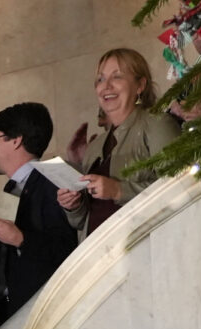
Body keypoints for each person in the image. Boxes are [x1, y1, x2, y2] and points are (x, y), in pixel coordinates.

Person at [60, 47, 185, 234]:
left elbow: (180, 187)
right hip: (99, 248)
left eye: (117, 77)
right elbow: (83, 221)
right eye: (100, 79)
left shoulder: (157, 124)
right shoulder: (94, 147)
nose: (106, 86)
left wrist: (119, 190)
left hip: (144, 245)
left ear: (140, 85)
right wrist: (74, 205)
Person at [0, 101, 80, 321]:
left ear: (16, 140)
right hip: (10, 313)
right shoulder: (10, 188)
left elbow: (66, 250)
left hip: (45, 314)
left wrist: (20, 239)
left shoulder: (55, 180)